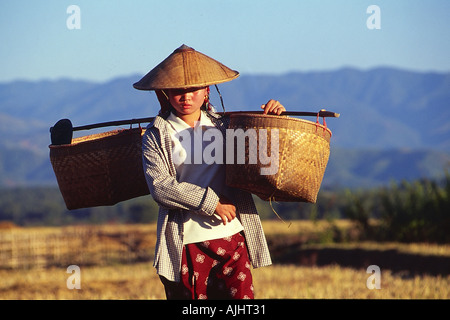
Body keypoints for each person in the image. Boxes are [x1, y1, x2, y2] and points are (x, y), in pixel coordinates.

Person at [133, 44, 285, 299]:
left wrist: (273, 121)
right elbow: (160, 187)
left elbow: (262, 162)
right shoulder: (156, 135)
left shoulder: (227, 127)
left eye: (193, 89)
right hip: (188, 242)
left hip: (233, 236)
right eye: (178, 90)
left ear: (206, 91)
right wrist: (212, 203)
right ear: (165, 93)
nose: (186, 96)